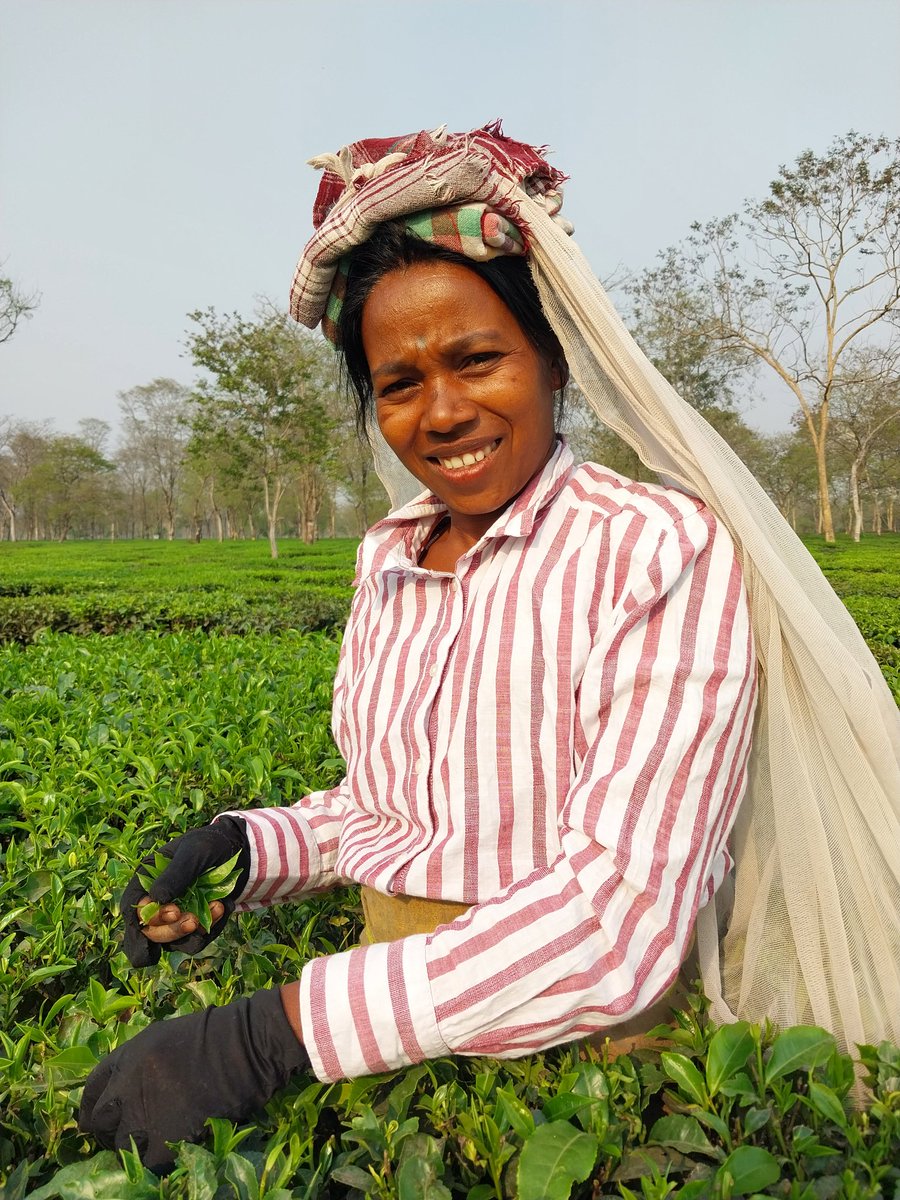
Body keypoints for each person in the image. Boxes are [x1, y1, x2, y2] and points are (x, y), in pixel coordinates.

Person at [79, 122, 900, 1172]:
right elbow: (392, 809)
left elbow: (618, 925)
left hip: (584, 1068)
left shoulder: (653, 550)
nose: (444, 410)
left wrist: (271, 1032)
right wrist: (252, 850)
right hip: (384, 1044)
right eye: (401, 381)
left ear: (553, 358)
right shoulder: (390, 557)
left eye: (478, 359)